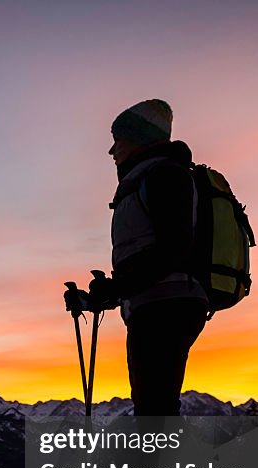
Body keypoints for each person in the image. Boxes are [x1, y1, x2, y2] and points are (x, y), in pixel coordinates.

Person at [100, 99, 208, 416]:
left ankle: (159, 466)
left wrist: (117, 289)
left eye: (117, 139)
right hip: (161, 302)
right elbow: (151, 252)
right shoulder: (150, 177)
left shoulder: (162, 175)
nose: (112, 151)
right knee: (154, 404)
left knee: (155, 407)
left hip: (165, 304)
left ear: (138, 138)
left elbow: (173, 249)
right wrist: (107, 293)